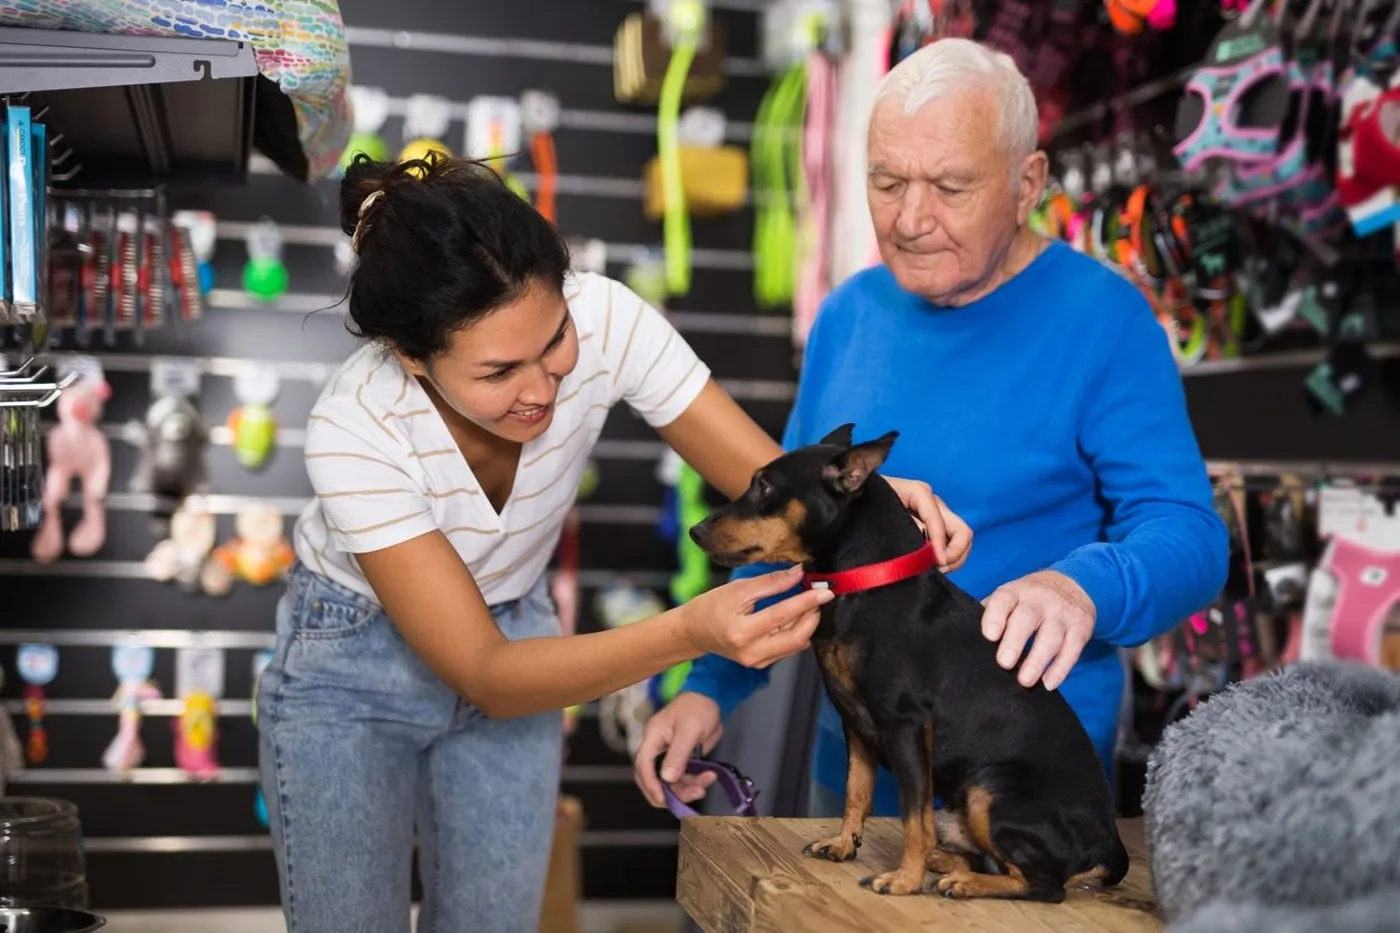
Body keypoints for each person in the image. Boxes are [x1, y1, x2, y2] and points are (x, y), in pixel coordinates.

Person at [255, 152, 974, 933]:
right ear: (412, 358)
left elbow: (767, 478)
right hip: (352, 665)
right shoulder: (354, 429)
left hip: (518, 621)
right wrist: (692, 632)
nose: (543, 388)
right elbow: (487, 674)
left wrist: (876, 498)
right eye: (499, 371)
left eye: (554, 340)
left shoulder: (605, 317)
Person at [634, 38, 1229, 821]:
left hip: (1020, 787)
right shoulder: (845, 315)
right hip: (852, 770)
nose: (911, 219)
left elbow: (1190, 535)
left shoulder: (1107, 320)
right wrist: (709, 686)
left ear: (1027, 184)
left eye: (951, 187)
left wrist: (1082, 585)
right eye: (887, 182)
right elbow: (791, 531)